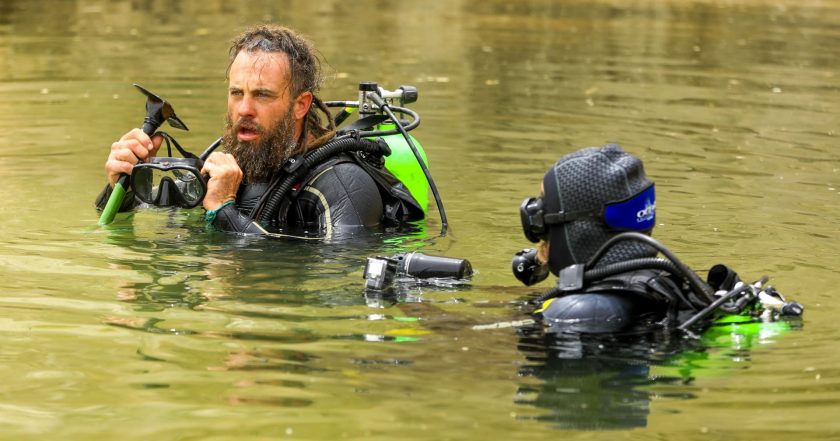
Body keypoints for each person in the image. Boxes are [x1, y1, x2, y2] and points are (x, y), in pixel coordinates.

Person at [96, 24, 423, 237]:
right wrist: (121, 184)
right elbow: (137, 223)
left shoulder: (342, 186)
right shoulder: (228, 168)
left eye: (262, 95)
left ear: (300, 104)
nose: (244, 109)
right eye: (237, 93)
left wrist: (224, 210)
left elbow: (334, 282)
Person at [513, 144, 802, 334]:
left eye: (543, 206)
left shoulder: (575, 313)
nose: (535, 221)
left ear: (580, 230)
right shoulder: (662, 280)